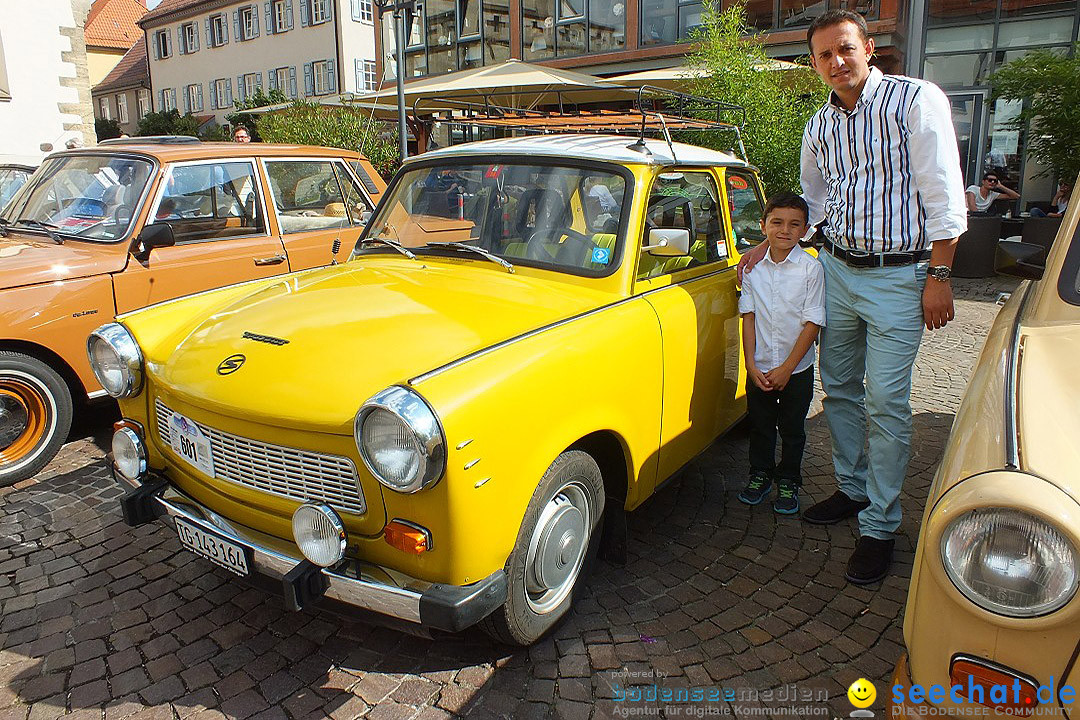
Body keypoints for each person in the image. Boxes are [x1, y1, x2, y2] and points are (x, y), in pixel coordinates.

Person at [739, 10, 966, 585]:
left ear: (868, 46)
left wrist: (939, 275)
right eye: (823, 55)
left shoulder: (915, 101)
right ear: (814, 63)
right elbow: (811, 208)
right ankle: (854, 489)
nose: (836, 62)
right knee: (838, 388)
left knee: (886, 401)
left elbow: (943, 191)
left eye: (845, 49)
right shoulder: (819, 125)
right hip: (837, 271)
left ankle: (881, 525)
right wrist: (770, 249)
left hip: (900, 276)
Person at [737, 193, 825, 515]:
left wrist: (789, 367)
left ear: (804, 230)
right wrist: (750, 364)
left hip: (796, 370)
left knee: (792, 428)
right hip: (759, 367)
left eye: (794, 224)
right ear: (763, 226)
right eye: (777, 222)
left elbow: (813, 322)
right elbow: (749, 316)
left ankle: (788, 479)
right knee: (760, 425)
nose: (784, 230)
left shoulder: (810, 270)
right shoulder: (752, 270)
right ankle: (760, 474)